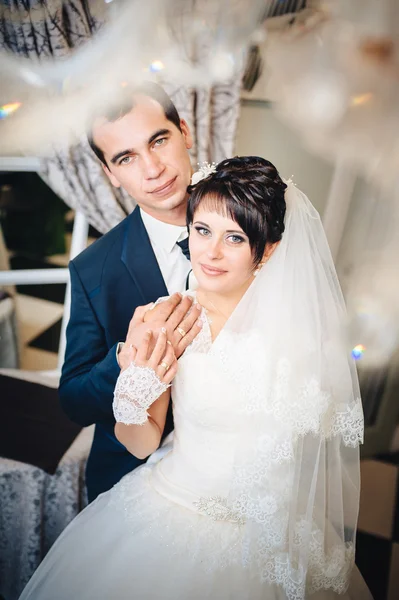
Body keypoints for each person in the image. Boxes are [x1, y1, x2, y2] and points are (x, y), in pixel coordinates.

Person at [21, 156, 372, 600]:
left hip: (274, 529)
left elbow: (310, 451)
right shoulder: (168, 318)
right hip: (174, 510)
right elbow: (142, 441)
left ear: (268, 250)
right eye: (202, 230)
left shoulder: (304, 330)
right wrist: (134, 384)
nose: (211, 252)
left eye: (235, 238)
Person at [59, 82, 202, 502]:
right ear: (111, 174)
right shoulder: (91, 269)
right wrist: (126, 356)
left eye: (158, 140)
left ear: (185, 132)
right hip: (136, 478)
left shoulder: (254, 221)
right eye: (125, 157)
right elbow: (74, 400)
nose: (152, 168)